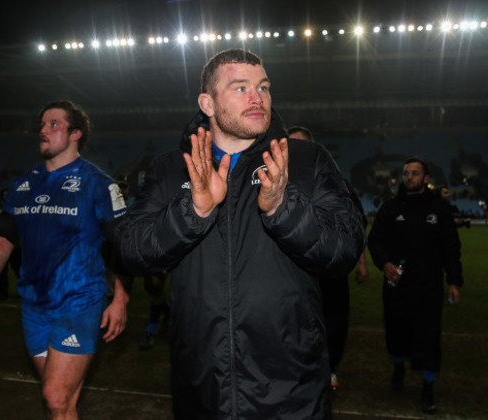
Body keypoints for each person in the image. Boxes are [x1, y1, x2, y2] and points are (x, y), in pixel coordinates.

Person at [117, 49, 365, 419]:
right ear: (208, 103)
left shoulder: (305, 161)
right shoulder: (172, 169)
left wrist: (284, 207)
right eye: (241, 87)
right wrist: (194, 211)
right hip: (202, 387)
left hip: (291, 389)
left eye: (263, 87)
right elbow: (129, 251)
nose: (257, 97)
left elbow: (344, 249)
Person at [0, 100, 129, 420]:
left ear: (76, 133)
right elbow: (1, 239)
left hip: (79, 302)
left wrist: (120, 297)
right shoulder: (23, 186)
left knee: (54, 397)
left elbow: (123, 244)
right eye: (41, 124)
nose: (43, 129)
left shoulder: (97, 184)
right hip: (34, 306)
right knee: (63, 402)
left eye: (53, 124)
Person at [367, 156, 463, 414]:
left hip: (428, 288)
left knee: (429, 339)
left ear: (426, 178)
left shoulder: (440, 209)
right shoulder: (390, 208)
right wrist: (384, 263)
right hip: (396, 287)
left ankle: (427, 389)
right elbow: (375, 241)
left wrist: (454, 280)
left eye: (415, 173)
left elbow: (451, 249)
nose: (409, 177)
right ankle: (398, 367)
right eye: (407, 173)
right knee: (396, 334)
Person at [287, 125, 370, 391]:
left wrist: (362, 261)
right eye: (290, 145)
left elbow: (354, 227)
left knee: (333, 324)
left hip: (330, 273)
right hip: (292, 275)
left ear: (313, 149)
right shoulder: (272, 183)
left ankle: (329, 371)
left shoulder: (336, 183)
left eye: (301, 145)